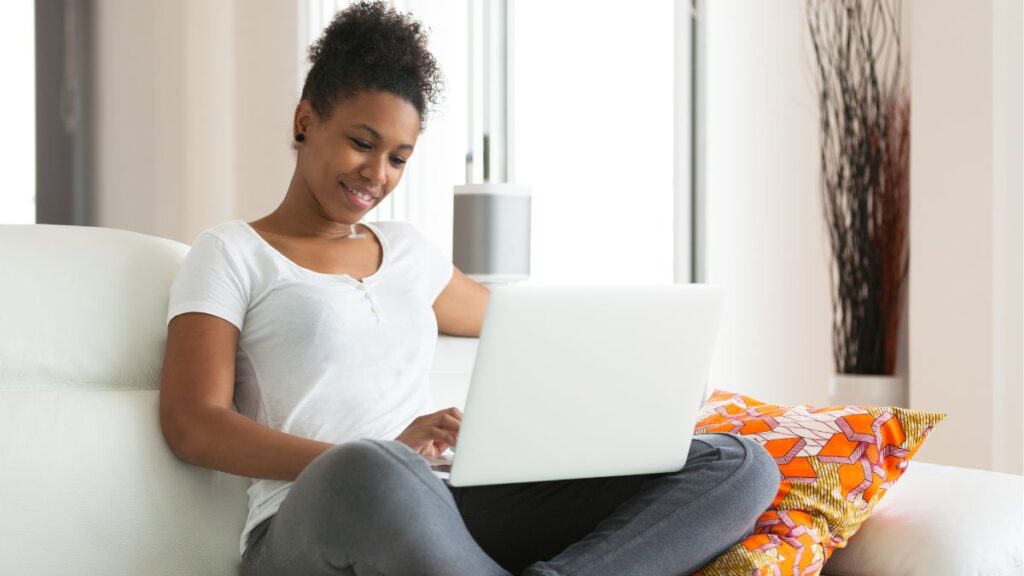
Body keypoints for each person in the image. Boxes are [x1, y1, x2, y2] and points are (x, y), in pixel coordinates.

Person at [158, 2, 780, 575]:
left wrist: (638, 367)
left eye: (399, 158)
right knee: (370, 467)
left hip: (441, 502)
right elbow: (193, 423)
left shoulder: (409, 253)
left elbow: (524, 329)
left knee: (739, 464)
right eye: (361, 143)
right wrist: (381, 449)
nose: (377, 175)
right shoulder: (231, 253)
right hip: (313, 518)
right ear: (305, 120)